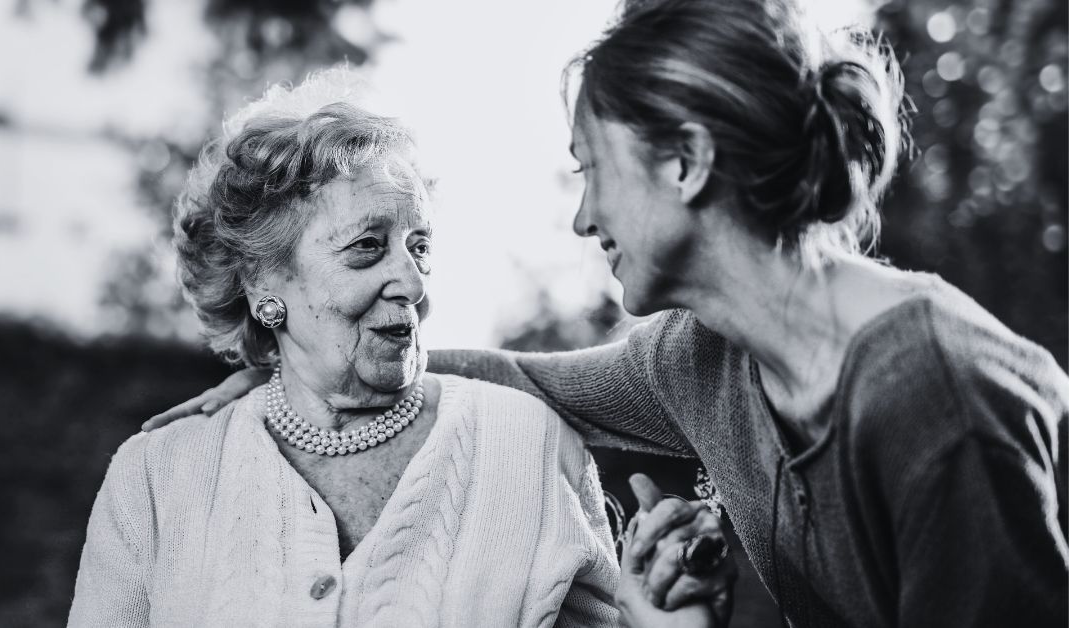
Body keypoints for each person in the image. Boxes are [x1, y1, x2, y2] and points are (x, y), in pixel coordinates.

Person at [148, 0, 1069, 626]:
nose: (584, 217)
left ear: (686, 163)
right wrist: (291, 359)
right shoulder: (700, 359)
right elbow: (516, 378)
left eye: (591, 169)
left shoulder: (933, 399)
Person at [69, 73, 732, 627]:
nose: (413, 283)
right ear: (264, 284)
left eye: (420, 248)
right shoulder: (156, 478)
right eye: (367, 247)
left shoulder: (529, 446)